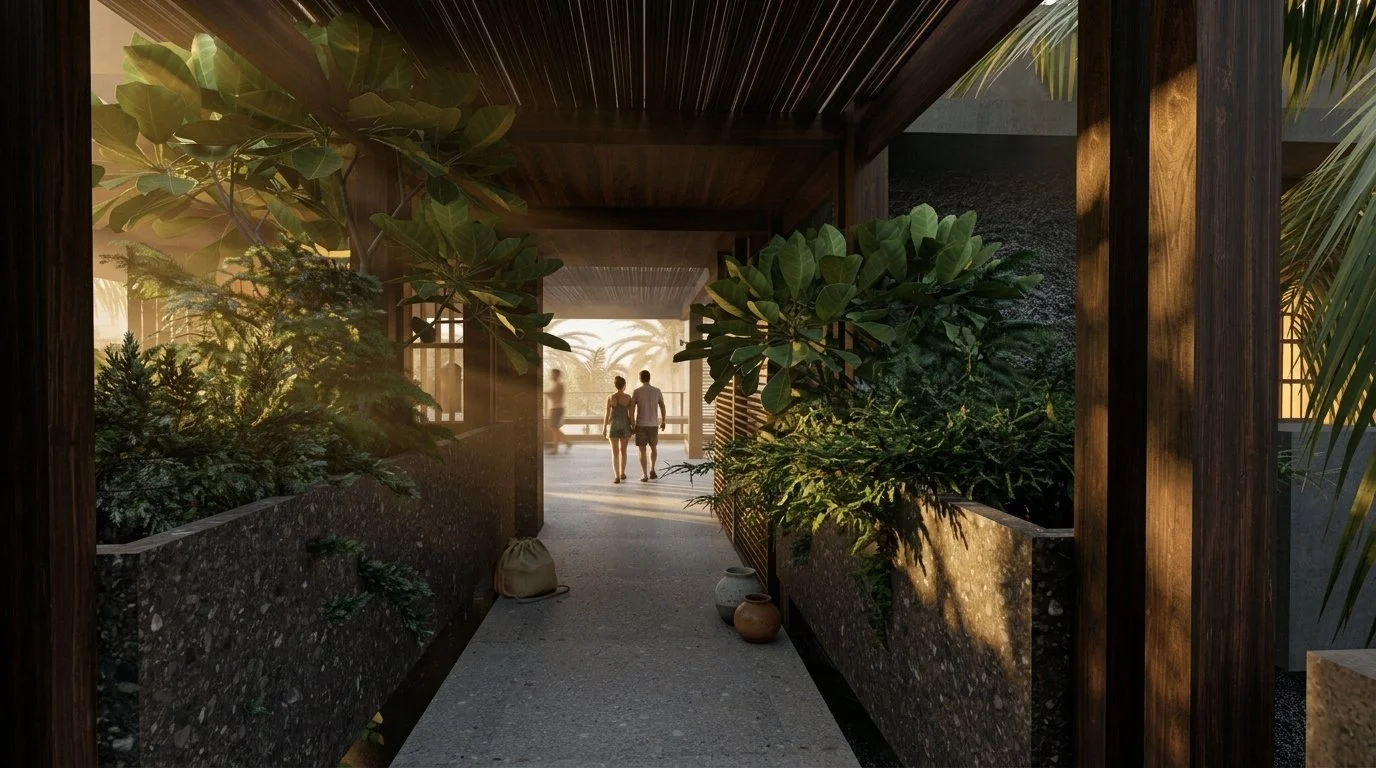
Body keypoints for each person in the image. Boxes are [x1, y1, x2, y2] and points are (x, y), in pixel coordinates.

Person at [628, 369, 666, 482]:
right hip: (653, 424)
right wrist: (663, 421)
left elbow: (631, 409)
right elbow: (662, 406)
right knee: (653, 448)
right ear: (649, 378)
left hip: (640, 424)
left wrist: (632, 423)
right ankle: (652, 469)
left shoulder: (637, 392)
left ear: (640, 379)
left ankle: (644, 475)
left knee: (642, 450)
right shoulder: (657, 391)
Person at [602, 375, 633, 483]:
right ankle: (622, 473)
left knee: (614, 452)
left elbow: (607, 414)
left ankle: (616, 477)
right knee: (623, 451)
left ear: (615, 385)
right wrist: (633, 426)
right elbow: (631, 415)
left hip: (613, 426)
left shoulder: (610, 397)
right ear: (624, 386)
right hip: (625, 426)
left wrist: (604, 428)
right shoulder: (628, 398)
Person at [545, 369, 571, 455]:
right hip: (556, 408)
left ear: (556, 375)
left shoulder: (558, 385)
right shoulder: (557, 384)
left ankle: (556, 448)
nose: (551, 376)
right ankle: (566, 442)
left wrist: (544, 392)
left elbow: (553, 394)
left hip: (557, 408)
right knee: (554, 428)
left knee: (554, 428)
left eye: (552, 374)